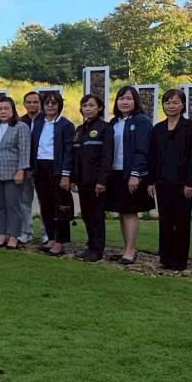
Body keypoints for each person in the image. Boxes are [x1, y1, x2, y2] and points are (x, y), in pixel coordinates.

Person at [148, 89, 192, 270]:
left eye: (175, 102)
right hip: (163, 182)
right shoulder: (158, 128)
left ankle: (179, 260)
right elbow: (153, 156)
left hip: (183, 183)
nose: (171, 106)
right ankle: (165, 257)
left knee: (182, 221)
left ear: (183, 105)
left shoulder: (191, 127)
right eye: (168, 102)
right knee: (165, 220)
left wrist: (190, 182)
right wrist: (151, 181)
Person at [106, 86, 155, 264]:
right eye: (121, 98)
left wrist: (136, 174)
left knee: (130, 212)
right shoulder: (114, 122)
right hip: (115, 173)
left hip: (132, 174)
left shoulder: (142, 121)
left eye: (128, 98)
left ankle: (130, 250)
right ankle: (125, 248)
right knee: (122, 212)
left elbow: (143, 149)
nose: (124, 102)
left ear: (135, 101)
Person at [30, 92, 76, 256]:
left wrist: (66, 175)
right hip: (40, 168)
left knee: (61, 207)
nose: (50, 106)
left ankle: (60, 241)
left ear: (59, 105)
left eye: (54, 103)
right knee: (46, 205)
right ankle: (50, 238)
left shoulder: (66, 125)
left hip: (57, 169)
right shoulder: (38, 123)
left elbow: (69, 151)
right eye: (47, 103)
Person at [72, 94, 113, 262]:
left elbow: (107, 157)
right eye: (84, 106)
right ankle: (90, 246)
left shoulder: (105, 128)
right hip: (82, 180)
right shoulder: (80, 130)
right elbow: (75, 157)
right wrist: (73, 179)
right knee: (87, 214)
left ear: (100, 108)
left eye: (91, 105)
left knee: (97, 215)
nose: (87, 109)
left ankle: (97, 250)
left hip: (96, 181)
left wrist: (102, 181)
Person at [0, 97, 31, 249]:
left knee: (13, 205)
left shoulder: (21, 127)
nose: (3, 111)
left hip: (12, 172)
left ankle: (13, 236)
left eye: (6, 108)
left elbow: (24, 150)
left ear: (13, 110)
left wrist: (21, 170)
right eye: (0, 109)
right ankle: (1, 234)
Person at [18, 91, 42, 243]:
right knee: (24, 201)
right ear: (24, 104)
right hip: (24, 169)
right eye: (29, 102)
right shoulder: (20, 122)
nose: (32, 105)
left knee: (44, 202)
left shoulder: (46, 121)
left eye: (35, 102)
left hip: (42, 169)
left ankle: (47, 233)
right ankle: (26, 231)